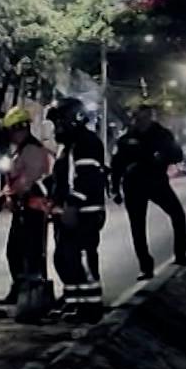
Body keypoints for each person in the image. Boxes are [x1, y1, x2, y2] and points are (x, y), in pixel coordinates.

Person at [43, 97, 108, 323]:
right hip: (68, 213)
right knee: (63, 258)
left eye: (59, 121)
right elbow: (60, 178)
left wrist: (72, 203)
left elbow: (87, 178)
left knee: (83, 259)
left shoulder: (86, 143)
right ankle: (74, 301)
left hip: (84, 213)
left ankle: (90, 307)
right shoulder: (68, 146)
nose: (56, 127)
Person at [111, 102, 186, 279]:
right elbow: (117, 164)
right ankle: (145, 267)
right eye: (136, 117)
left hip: (157, 183)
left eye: (143, 117)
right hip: (133, 186)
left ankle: (181, 254)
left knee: (178, 215)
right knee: (137, 228)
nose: (139, 120)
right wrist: (114, 188)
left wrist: (163, 157)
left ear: (150, 117)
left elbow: (177, 155)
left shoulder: (162, 135)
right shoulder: (127, 138)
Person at [0, 106, 51, 307]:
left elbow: (26, 181)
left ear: (20, 128)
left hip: (33, 210)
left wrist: (9, 195)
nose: (10, 136)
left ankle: (34, 295)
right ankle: (21, 290)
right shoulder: (20, 151)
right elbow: (12, 180)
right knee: (15, 252)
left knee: (31, 254)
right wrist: (1, 198)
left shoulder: (32, 150)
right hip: (22, 210)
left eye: (11, 131)